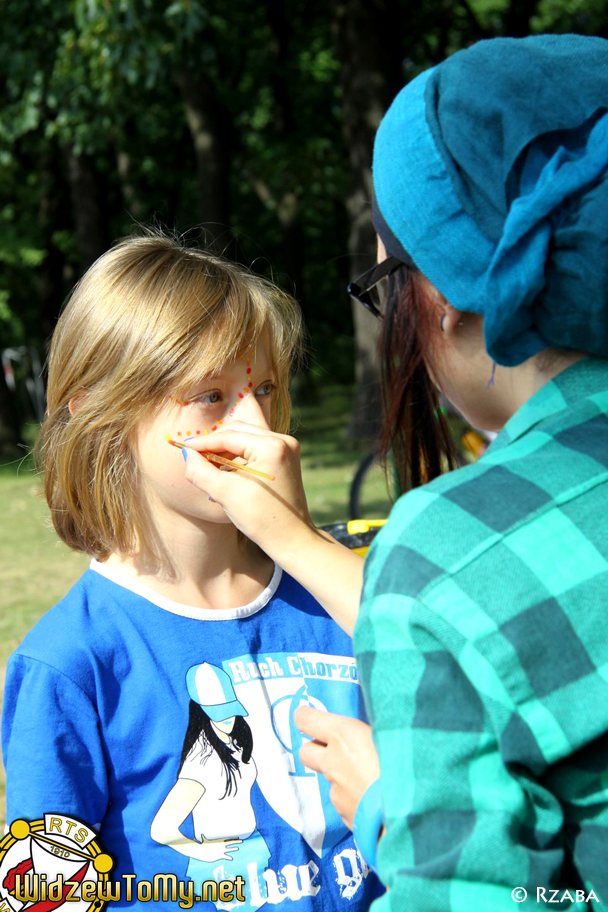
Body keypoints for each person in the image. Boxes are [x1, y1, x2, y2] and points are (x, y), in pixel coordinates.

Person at [174, 34, 608, 910]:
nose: (257, 420)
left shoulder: (445, 550)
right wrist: (293, 540)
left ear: (442, 296)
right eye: (212, 394)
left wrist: (392, 812)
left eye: (386, 286)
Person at [1, 232, 383, 911]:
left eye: (265, 387)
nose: (261, 426)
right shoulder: (69, 663)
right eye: (211, 394)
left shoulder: (342, 597)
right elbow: (45, 899)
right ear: (100, 413)